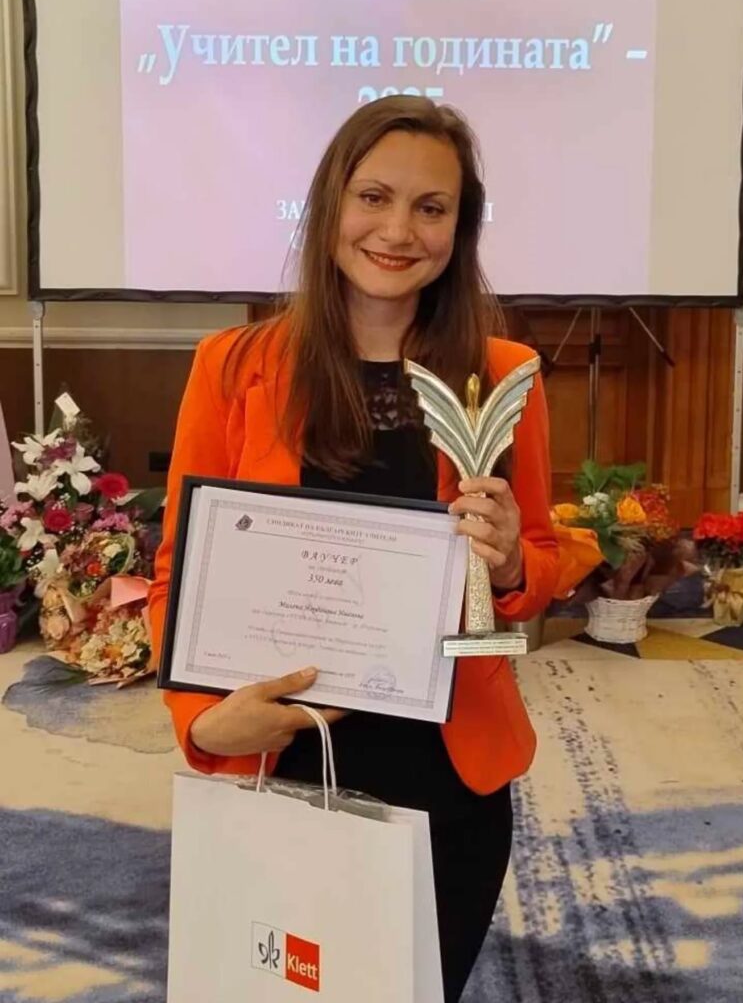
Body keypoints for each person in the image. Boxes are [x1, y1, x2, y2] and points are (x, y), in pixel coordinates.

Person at [148, 95, 560, 1002]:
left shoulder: (502, 374)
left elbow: (535, 554)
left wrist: (511, 564)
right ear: (330, 202)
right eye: (373, 196)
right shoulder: (233, 367)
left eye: (430, 207)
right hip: (279, 757)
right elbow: (180, 570)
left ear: (460, 227)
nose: (398, 230)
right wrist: (203, 723)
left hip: (448, 770)